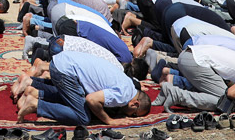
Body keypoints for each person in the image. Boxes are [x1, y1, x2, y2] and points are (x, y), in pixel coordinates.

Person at [14, 50, 151, 126]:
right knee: (83, 117)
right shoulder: (124, 96)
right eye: (133, 113)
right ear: (135, 104)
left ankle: (37, 93)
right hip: (64, 70)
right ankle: (36, 105)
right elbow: (92, 99)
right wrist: (109, 121)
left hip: (63, 62)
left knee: (76, 102)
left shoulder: (127, 83)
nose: (129, 115)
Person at [156, 42, 235, 112]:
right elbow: (232, 93)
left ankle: (167, 90)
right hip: (195, 61)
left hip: (189, 55)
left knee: (217, 92)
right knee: (224, 102)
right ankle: (176, 95)